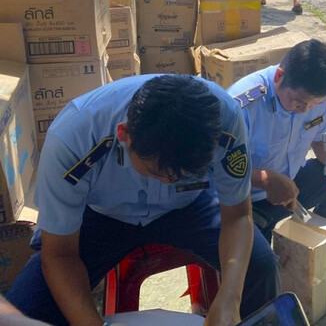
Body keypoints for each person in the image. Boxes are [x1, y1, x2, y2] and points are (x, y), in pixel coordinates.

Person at [7, 74, 279, 326]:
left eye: (184, 174)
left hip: (189, 206)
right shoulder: (73, 138)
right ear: (123, 134)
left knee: (261, 265)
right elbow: (60, 255)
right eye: (156, 172)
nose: (169, 182)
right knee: (27, 310)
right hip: (100, 215)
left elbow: (238, 216)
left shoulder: (224, 120)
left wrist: (230, 298)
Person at [227, 39, 326, 279]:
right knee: (264, 270)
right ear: (279, 76)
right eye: (299, 101)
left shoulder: (319, 95)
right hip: (245, 200)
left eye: (315, 103)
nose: (306, 109)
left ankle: (324, 257)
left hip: (291, 186)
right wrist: (265, 180)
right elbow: (215, 171)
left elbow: (321, 140)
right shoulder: (241, 104)